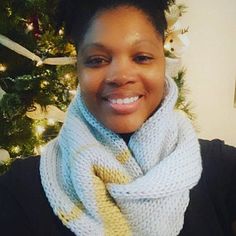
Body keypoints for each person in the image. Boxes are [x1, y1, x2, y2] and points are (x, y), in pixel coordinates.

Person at [0, 0, 236, 235]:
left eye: (142, 57)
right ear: (78, 68)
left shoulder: (223, 172)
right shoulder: (20, 189)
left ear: (163, 60)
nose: (121, 76)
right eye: (97, 60)